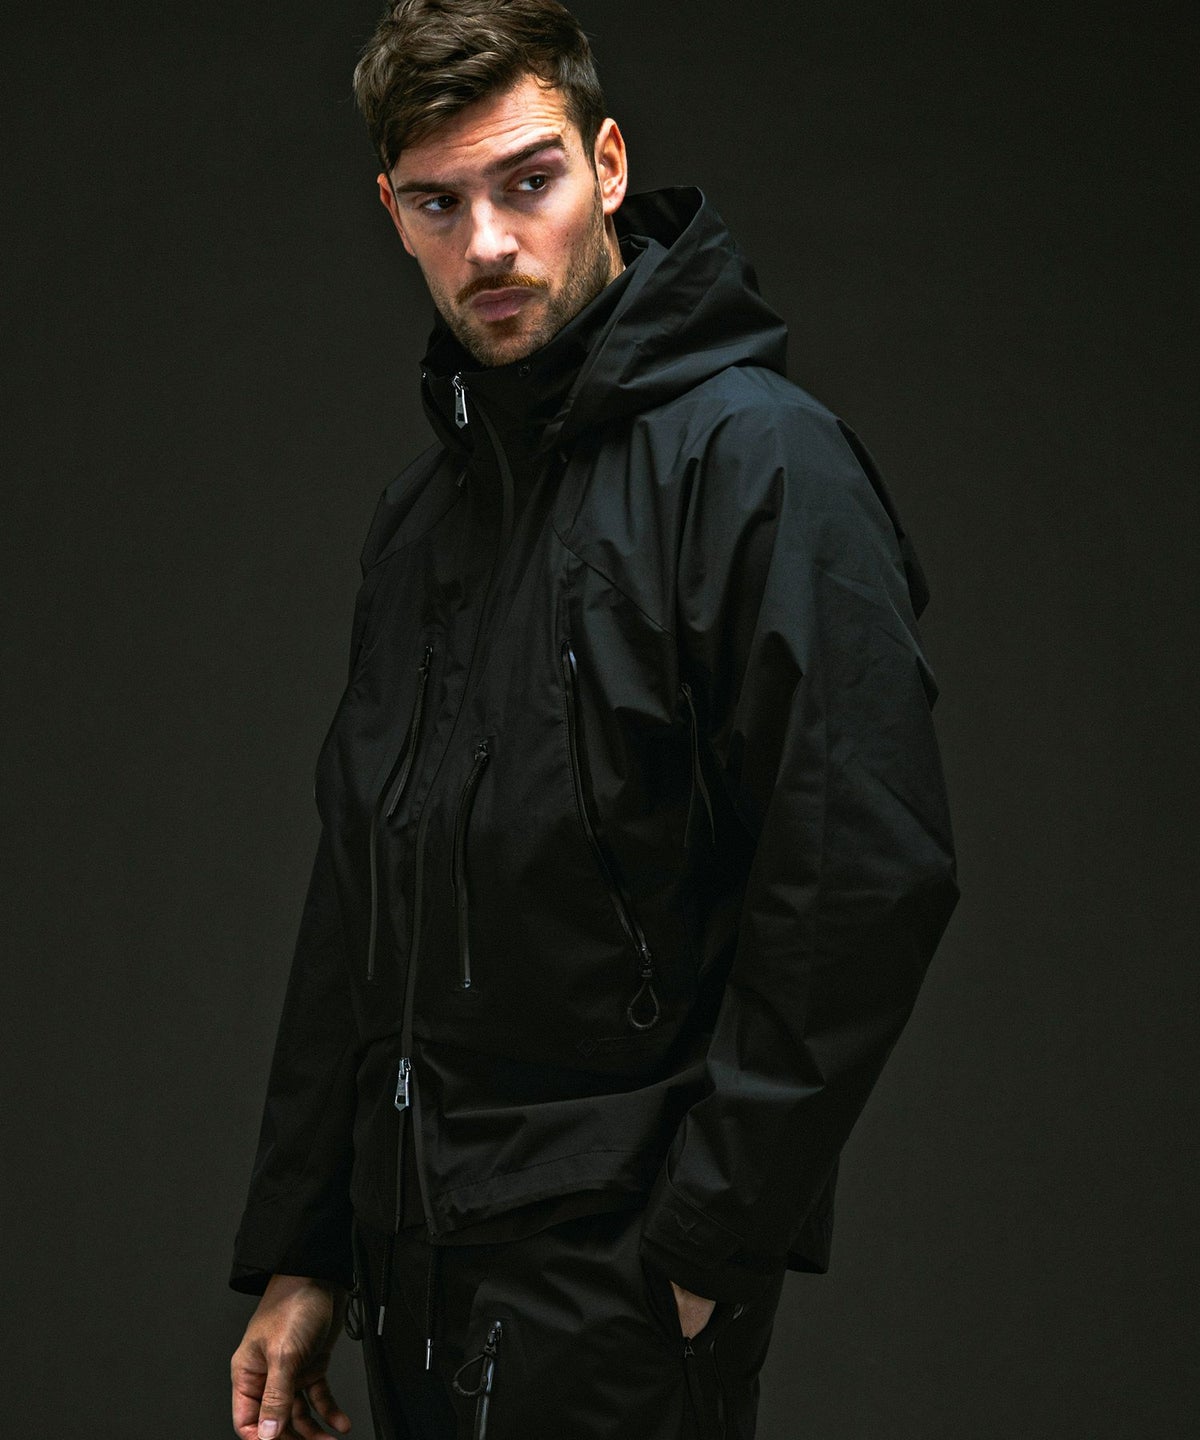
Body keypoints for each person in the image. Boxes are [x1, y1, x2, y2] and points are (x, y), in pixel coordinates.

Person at [228, 3, 959, 1437]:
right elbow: (361, 892)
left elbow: (864, 874)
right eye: (439, 204)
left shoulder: (760, 464)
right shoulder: (423, 522)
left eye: (529, 181)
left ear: (609, 165)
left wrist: (704, 1252)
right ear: (391, 212)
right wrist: (309, 1245)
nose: (490, 245)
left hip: (618, 1287)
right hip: (412, 1276)